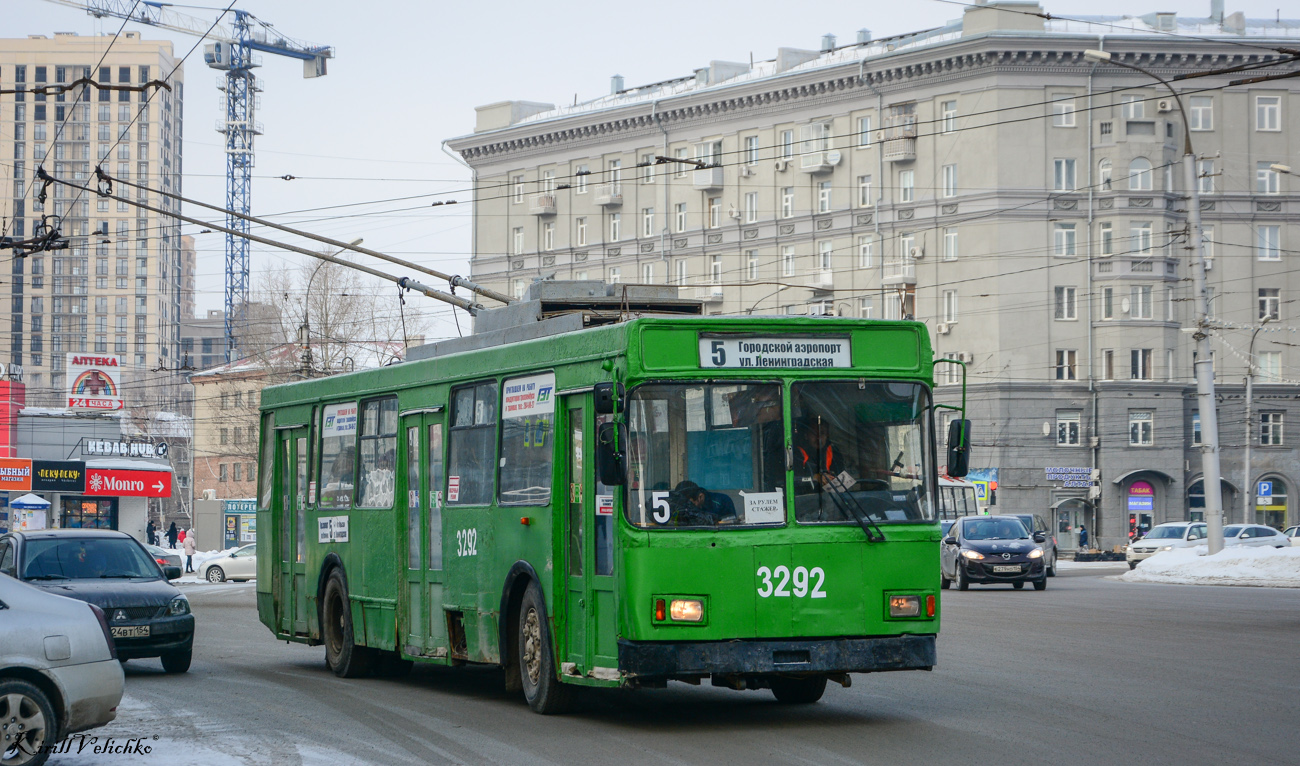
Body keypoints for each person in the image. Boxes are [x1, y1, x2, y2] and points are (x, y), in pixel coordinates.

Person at [794, 419, 845, 493]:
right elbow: (794, 479)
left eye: (822, 433)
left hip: (833, 499)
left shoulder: (833, 451)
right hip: (806, 499)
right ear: (806, 436)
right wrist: (815, 477)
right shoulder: (797, 453)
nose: (818, 438)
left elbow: (843, 477)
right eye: (814, 433)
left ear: (827, 436)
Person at [671, 480, 736, 525]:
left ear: (700, 497)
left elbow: (731, 522)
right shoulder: (679, 507)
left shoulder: (722, 501)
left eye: (691, 504)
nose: (688, 507)